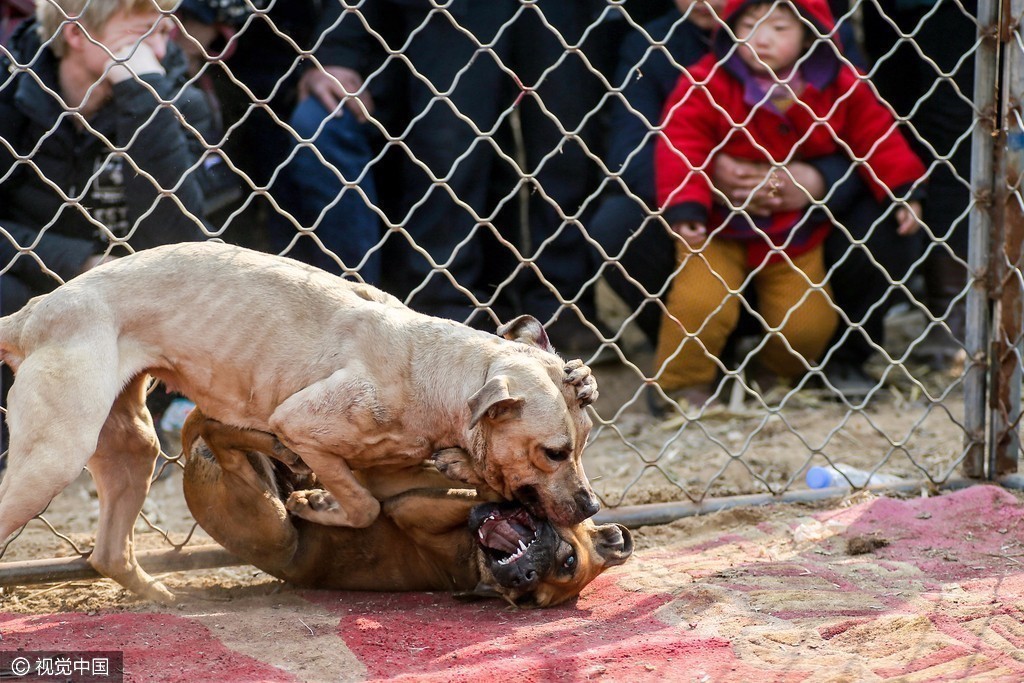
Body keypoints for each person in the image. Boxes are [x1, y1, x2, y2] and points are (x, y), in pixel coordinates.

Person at [653, 0, 926, 408]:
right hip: (717, 228)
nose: (760, 37)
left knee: (808, 324)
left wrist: (903, 188)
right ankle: (679, 387)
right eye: (748, 24)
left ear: (809, 34)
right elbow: (680, 143)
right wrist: (686, 204)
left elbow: (876, 133)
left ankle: (772, 374)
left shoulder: (838, 83)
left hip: (793, 232)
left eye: (778, 28)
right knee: (700, 305)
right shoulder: (706, 79)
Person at [0, 0, 207, 450]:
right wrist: (80, 262)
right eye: (140, 34)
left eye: (163, 32)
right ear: (76, 34)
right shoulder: (9, 90)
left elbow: (186, 244)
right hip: (29, 291)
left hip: (134, 315)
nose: (158, 48)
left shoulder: (176, 96)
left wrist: (145, 97)